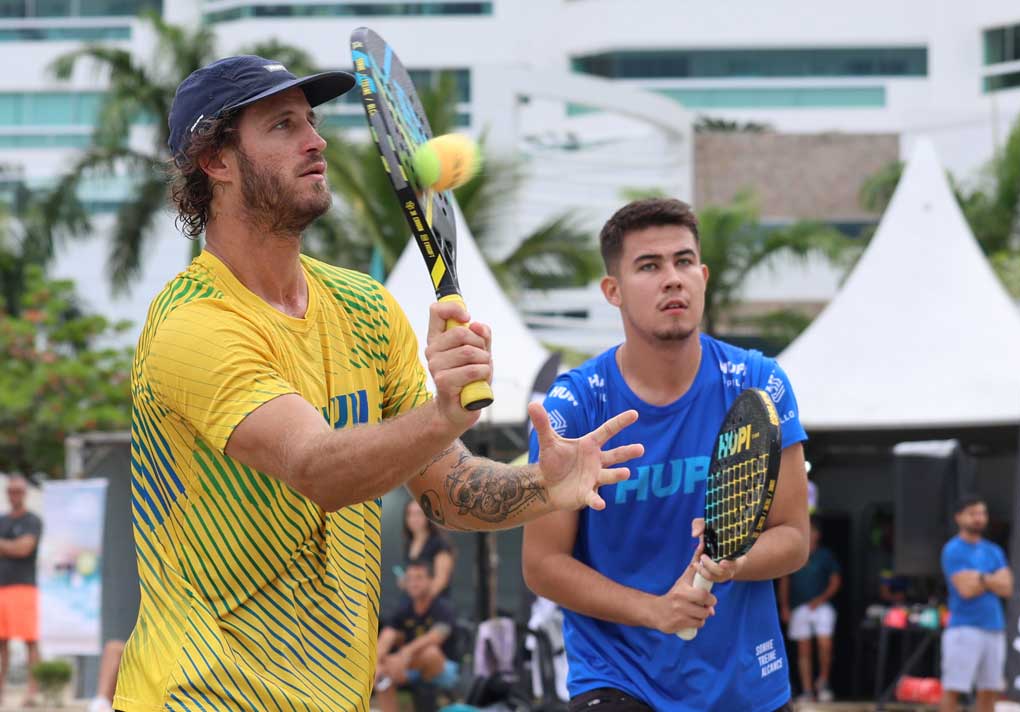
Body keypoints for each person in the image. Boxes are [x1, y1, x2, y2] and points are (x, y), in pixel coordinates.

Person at [113, 55, 644, 712]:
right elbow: (320, 471)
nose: (317, 141)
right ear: (215, 162)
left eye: (312, 121)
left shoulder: (366, 308)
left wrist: (544, 486)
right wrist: (446, 413)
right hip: (202, 695)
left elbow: (448, 492)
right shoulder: (192, 324)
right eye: (282, 125)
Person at [522, 198, 810, 712]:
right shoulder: (575, 405)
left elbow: (792, 539)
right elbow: (543, 565)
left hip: (745, 685)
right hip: (619, 677)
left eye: (682, 262)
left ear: (702, 275)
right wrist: (656, 611)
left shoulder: (760, 382)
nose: (672, 279)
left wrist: (733, 560)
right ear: (613, 290)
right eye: (649, 266)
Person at [939, 494, 1012, 712]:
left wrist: (979, 578)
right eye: (973, 513)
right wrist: (991, 579)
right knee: (954, 688)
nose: (979, 518)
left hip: (994, 628)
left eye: (982, 513)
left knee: (990, 689)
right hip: (964, 628)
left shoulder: (994, 550)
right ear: (959, 517)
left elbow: (1007, 587)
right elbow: (966, 590)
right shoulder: (953, 549)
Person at [374, 561, 459, 712]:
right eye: (410, 579)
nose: (413, 583)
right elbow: (388, 635)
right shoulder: (403, 608)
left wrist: (405, 653)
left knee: (430, 652)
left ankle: (392, 666)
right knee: (382, 676)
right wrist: (378, 661)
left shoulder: (442, 607)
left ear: (431, 581)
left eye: (419, 578)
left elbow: (436, 637)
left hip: (443, 669)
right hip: (408, 668)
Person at [778, 520, 841, 702]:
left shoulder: (825, 556)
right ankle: (807, 690)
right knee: (803, 649)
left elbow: (835, 581)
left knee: (825, 643)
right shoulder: (795, 554)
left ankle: (823, 682)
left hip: (822, 606)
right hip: (799, 607)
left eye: (812, 532)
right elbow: (785, 581)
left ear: (817, 535)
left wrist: (820, 600)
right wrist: (784, 606)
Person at [0, 474, 42, 707]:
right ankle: (1, 692)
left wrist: (5, 547)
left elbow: (24, 548)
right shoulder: (2, 520)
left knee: (30, 642)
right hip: (2, 587)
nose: (13, 495)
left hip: (24, 587)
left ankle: (32, 692)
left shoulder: (32, 520)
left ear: (24, 493)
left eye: (17, 491)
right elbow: (16, 547)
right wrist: (10, 547)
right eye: (10, 491)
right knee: (1, 645)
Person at [401, 497, 455, 600]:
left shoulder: (439, 543)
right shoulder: (409, 543)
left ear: (427, 516)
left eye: (418, 514)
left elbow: (440, 582)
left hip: (434, 603)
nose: (414, 519)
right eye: (410, 514)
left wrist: (421, 604)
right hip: (412, 601)